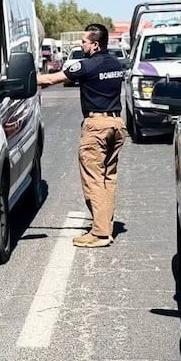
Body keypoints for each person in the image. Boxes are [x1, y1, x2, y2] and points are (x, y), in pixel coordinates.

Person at [36, 23, 125, 248]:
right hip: (116, 124)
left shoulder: (87, 65)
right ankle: (105, 226)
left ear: (95, 44)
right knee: (107, 179)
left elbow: (50, 80)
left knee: (94, 180)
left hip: (96, 126)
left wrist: (20, 79)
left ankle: (100, 233)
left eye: (84, 41)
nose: (81, 44)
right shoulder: (116, 64)